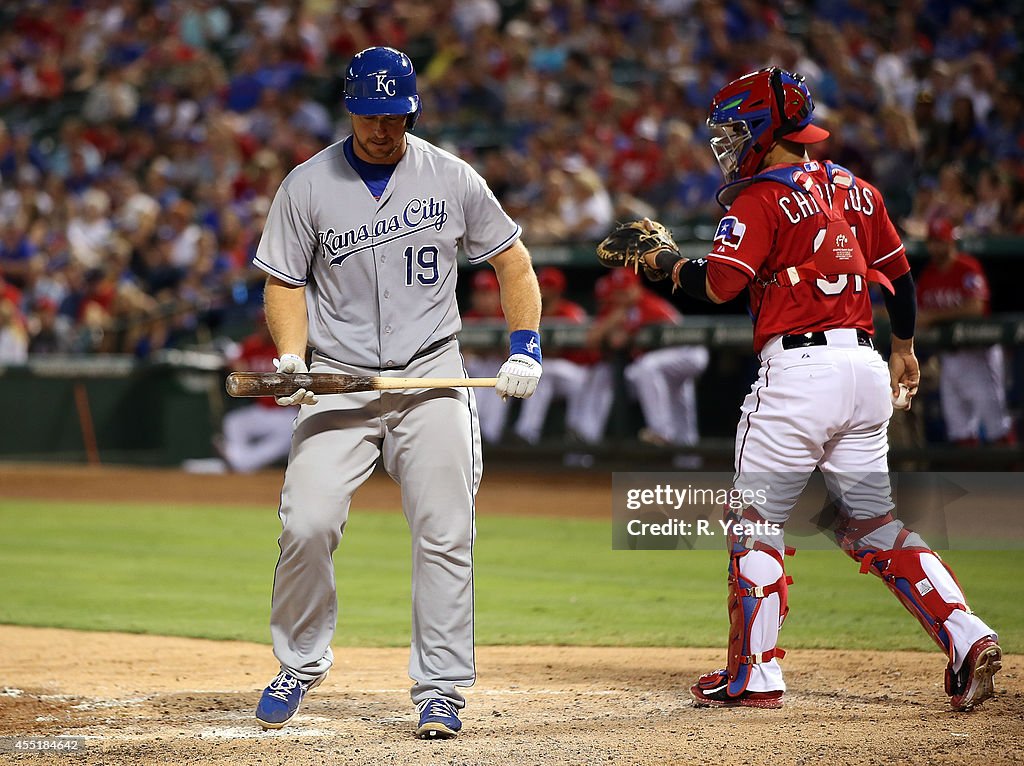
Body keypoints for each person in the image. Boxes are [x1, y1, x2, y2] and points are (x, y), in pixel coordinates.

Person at [632, 68, 1000, 710]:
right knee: (875, 525)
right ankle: (967, 634)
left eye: (736, 131)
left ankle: (757, 672)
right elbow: (901, 279)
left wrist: (660, 261)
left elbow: (719, 285)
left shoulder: (760, 195)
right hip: (863, 372)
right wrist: (905, 350)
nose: (728, 145)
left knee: (753, 518)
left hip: (798, 375)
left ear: (767, 131)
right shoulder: (855, 188)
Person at [250, 47, 542, 739]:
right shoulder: (307, 184)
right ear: (350, 107)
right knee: (306, 523)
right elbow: (284, 281)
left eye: (396, 115)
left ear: (412, 109)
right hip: (341, 379)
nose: (383, 128)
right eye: (372, 115)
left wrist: (525, 346)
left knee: (446, 534)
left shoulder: (451, 176)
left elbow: (512, 260)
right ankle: (299, 662)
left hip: (431, 374)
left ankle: (440, 690)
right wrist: (292, 358)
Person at [916, 217, 1014, 446]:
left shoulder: (967, 267)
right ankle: (972, 480)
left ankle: (1013, 479)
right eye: (932, 241)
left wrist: (934, 317)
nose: (936, 247)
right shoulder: (928, 275)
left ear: (951, 241)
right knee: (959, 430)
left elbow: (976, 307)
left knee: (996, 426)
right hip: (949, 357)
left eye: (940, 241)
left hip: (978, 352)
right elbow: (920, 315)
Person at [512, 266, 594, 444]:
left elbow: (562, 349)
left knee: (543, 370)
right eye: (540, 286)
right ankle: (527, 434)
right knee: (540, 379)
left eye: (547, 287)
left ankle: (576, 431)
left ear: (557, 291)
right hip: (553, 375)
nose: (542, 291)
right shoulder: (533, 313)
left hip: (579, 372)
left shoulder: (571, 312)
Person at [216, 312, 298, 473]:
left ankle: (241, 462)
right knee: (234, 422)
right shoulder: (251, 345)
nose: (265, 329)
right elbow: (238, 367)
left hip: (287, 411)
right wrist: (233, 361)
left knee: (288, 435)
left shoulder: (287, 347)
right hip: (262, 410)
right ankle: (239, 459)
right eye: (262, 325)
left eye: (268, 325)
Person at [460, 268, 511, 444]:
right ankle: (479, 432)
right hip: (476, 374)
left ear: (498, 295)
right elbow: (463, 354)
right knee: (477, 366)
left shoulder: (507, 316)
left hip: (501, 375)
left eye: (488, 293)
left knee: (496, 370)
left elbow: (508, 354)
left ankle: (489, 434)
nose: (484, 299)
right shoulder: (467, 319)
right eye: (480, 294)